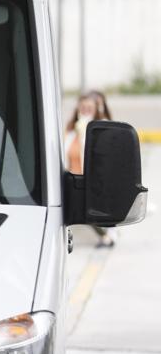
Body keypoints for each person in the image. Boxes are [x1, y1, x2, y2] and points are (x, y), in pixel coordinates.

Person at [65, 90, 115, 246]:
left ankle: (109, 234)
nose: (85, 110)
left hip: (91, 180)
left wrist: (83, 132)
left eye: (89, 107)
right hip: (72, 178)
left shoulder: (99, 128)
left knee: (91, 213)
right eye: (82, 107)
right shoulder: (71, 129)